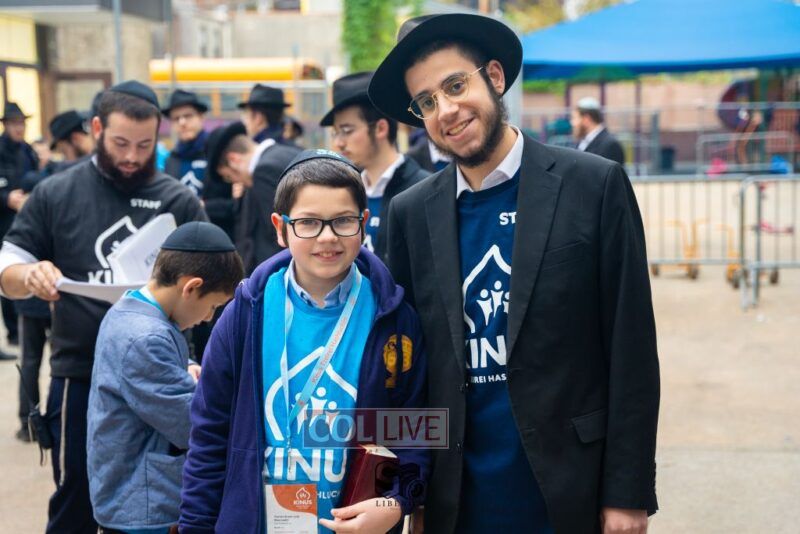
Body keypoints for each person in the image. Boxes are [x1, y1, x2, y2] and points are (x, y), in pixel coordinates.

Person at [369, 13, 660, 534]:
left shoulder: (593, 185)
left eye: (455, 86)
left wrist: (628, 492)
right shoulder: (409, 213)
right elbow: (408, 368)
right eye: (427, 102)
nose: (446, 110)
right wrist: (410, 491)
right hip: (457, 502)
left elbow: (631, 347)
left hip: (570, 490)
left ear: (495, 77)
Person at [180, 149, 428, 532]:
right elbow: (209, 434)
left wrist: (396, 501)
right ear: (280, 228)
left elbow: (416, 432)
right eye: (308, 223)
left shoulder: (393, 320)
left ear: (363, 223)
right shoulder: (245, 314)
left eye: (343, 221)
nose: (327, 237)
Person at [0, 80, 208, 534]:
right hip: (79, 370)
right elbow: (8, 263)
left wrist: (199, 361)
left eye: (145, 145)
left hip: (162, 374)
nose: (132, 156)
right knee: (76, 492)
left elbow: (212, 285)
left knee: (156, 502)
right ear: (96, 129)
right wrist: (29, 275)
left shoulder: (177, 199)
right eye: (120, 143)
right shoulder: (58, 192)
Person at [87, 221, 243, 533]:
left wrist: (186, 367)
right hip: (144, 504)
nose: (209, 318)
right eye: (213, 306)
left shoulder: (129, 310)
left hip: (133, 493)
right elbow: (192, 423)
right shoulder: (146, 337)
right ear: (191, 287)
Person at [321, 71, 428, 262]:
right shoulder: (347, 190)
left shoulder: (422, 190)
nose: (339, 143)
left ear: (380, 128)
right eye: (335, 133)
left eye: (347, 131)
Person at [206, 121, 300, 273]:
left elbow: (277, 232)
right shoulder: (286, 152)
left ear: (234, 160)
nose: (235, 181)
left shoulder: (263, 171)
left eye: (229, 177)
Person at [0, 102, 37, 356]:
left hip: (25, 220)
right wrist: (6, 199)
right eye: (15, 123)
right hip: (2, 221)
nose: (19, 128)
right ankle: (13, 331)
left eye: (22, 123)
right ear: (6, 125)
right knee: (6, 273)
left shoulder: (28, 151)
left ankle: (27, 327)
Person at [572, 96, 625, 166]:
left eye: (575, 118)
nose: (572, 123)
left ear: (586, 119)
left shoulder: (610, 145)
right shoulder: (584, 141)